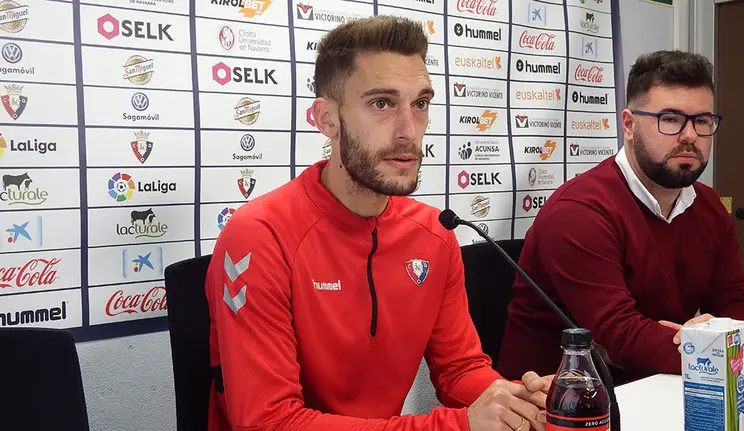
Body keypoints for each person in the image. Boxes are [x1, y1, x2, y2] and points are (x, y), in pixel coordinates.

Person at [205, 15, 552, 431]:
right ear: (326, 119)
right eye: (382, 104)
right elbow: (267, 422)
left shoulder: (434, 234)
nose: (408, 131)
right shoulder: (260, 237)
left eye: (420, 103)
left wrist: (513, 401)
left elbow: (459, 370)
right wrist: (458, 425)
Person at [497, 50, 744, 385]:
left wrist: (711, 342)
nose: (689, 135)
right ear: (629, 124)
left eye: (702, 121)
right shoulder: (579, 210)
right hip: (556, 403)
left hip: (659, 383)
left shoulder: (709, 207)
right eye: (670, 119)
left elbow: (740, 306)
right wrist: (719, 351)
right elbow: (621, 337)